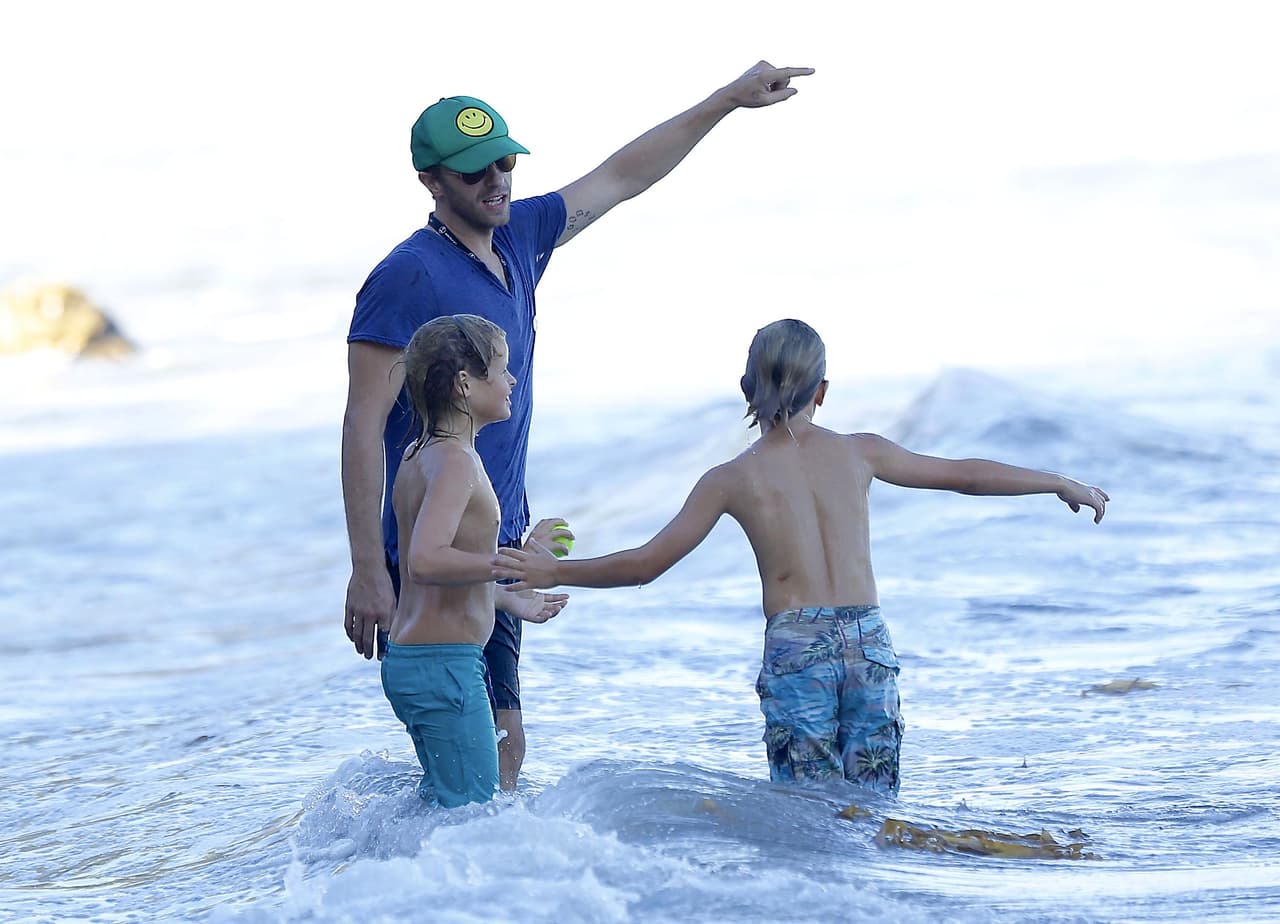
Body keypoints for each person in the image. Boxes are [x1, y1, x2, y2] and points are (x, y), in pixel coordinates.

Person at [342, 61, 816, 790]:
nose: (497, 179)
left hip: (491, 542)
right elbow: (362, 420)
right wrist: (370, 571)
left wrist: (724, 100)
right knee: (481, 745)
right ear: (432, 182)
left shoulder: (519, 237)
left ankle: (457, 878)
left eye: (504, 160)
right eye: (475, 172)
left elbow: (623, 176)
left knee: (492, 747)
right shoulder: (406, 276)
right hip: (437, 550)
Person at [491, 319, 1109, 795]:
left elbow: (646, 564)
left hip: (798, 646)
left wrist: (555, 570)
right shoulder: (861, 452)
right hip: (870, 641)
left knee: (804, 814)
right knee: (873, 806)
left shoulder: (732, 478)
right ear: (823, 391)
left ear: (745, 389)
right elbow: (963, 474)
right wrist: (1056, 481)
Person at [383, 314, 568, 807]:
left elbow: (430, 575)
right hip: (443, 668)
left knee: (445, 809)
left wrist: (508, 599)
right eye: (502, 370)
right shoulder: (457, 462)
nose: (511, 381)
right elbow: (424, 561)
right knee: (472, 819)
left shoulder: (419, 454)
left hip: (419, 663)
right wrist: (514, 563)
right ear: (465, 384)